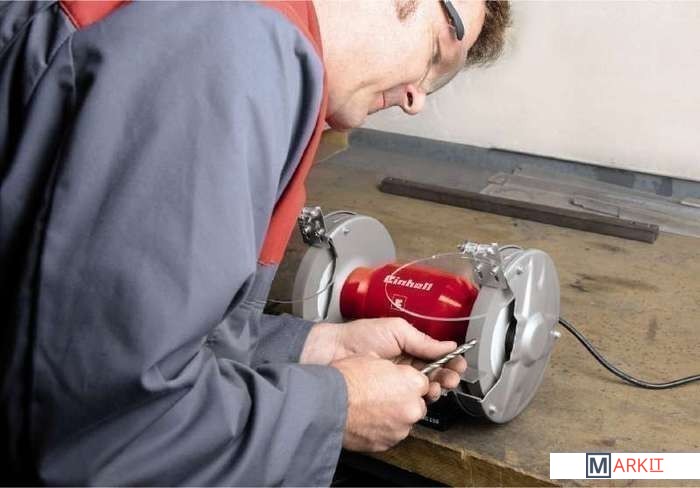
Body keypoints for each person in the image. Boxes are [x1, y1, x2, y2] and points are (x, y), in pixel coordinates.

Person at [0, 0, 510, 484]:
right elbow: (105, 433)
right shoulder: (232, 48)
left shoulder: (245, 36)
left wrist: (316, 347)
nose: (417, 99)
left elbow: (109, 332)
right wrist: (337, 408)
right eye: (435, 53)